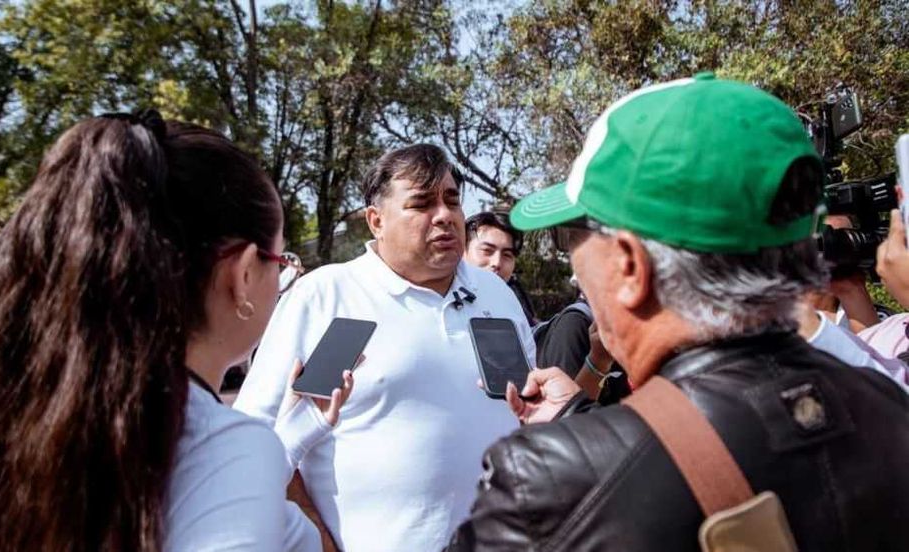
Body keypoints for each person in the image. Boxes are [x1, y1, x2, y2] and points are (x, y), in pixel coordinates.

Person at [446, 74, 909, 550]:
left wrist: (575, 452)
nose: (574, 264)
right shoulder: (887, 400)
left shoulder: (540, 482)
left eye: (571, 238)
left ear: (629, 267)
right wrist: (578, 421)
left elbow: (632, 477)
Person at [0, 111, 352, 551]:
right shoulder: (226, 449)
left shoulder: (52, 422)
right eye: (282, 261)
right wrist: (258, 454)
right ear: (244, 274)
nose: (283, 277)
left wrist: (284, 448)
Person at [234, 144, 535, 551]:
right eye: (422, 204)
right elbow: (256, 440)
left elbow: (528, 415)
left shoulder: (496, 294)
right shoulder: (327, 296)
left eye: (451, 200)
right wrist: (316, 538)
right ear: (376, 221)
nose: (445, 215)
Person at [464, 211, 538, 323]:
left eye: (507, 255)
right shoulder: (436, 300)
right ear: (462, 251)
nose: (497, 263)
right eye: (487, 251)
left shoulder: (517, 309)